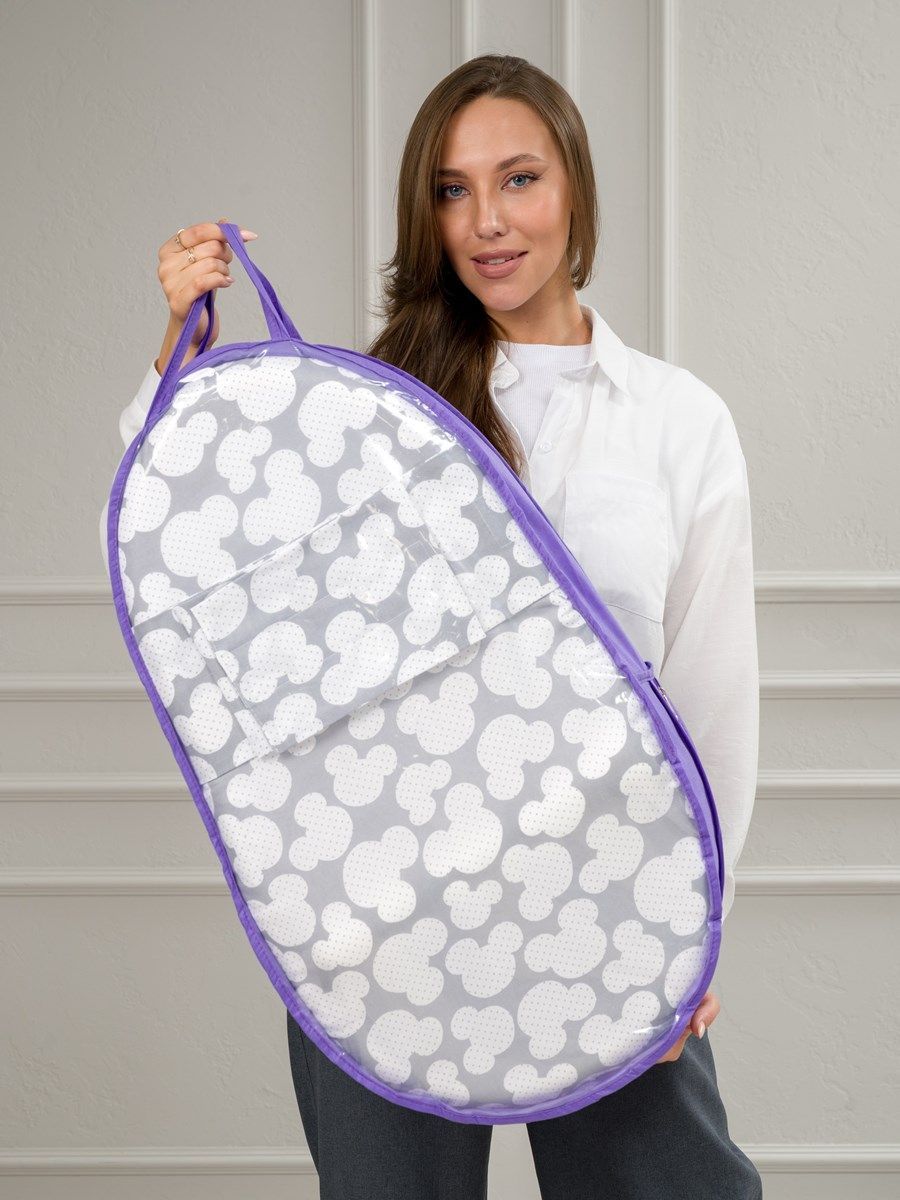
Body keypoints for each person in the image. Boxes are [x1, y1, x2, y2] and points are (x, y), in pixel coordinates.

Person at [100, 52, 762, 1200]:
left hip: (606, 890)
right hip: (381, 906)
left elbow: (712, 691)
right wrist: (179, 356)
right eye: (453, 191)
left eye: (520, 179)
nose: (488, 221)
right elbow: (200, 544)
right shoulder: (372, 407)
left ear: (576, 186)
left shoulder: (675, 420)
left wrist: (695, 922)